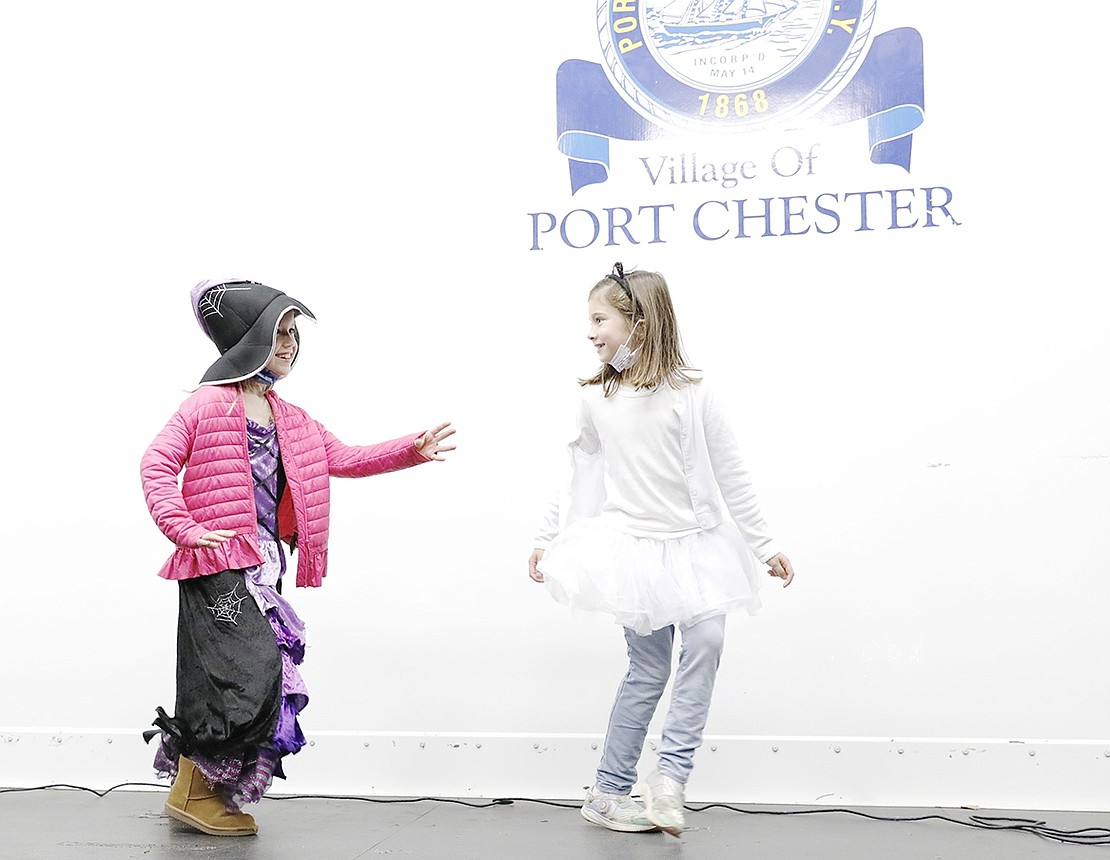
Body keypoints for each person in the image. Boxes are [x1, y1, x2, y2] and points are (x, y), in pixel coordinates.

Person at [141, 278, 455, 837]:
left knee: (247, 678)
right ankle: (194, 790)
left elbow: (345, 457)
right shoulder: (207, 403)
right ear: (247, 337)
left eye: (293, 334)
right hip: (216, 566)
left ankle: (199, 791)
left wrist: (413, 449)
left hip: (262, 568)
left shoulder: (291, 418)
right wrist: (183, 527)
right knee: (245, 674)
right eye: (278, 333)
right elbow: (157, 464)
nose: (288, 344)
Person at [528, 263, 794, 838]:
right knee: (648, 670)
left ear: (639, 324)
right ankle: (608, 791)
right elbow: (575, 472)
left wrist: (764, 544)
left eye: (600, 320)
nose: (591, 332)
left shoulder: (695, 395)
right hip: (636, 553)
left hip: (696, 548)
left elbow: (732, 473)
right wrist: (546, 536)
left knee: (707, 640)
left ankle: (669, 781)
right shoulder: (597, 398)